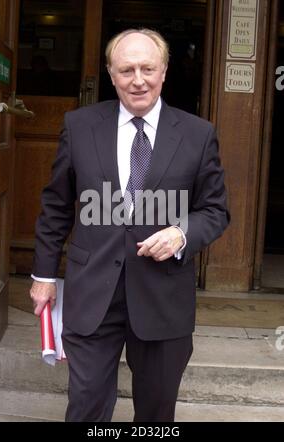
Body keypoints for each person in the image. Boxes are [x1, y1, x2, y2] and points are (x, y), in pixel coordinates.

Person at [30, 28, 230, 422]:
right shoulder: (79, 125)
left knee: (156, 413)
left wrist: (180, 233)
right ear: (110, 73)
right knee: (85, 406)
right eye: (126, 70)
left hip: (163, 298)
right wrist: (43, 276)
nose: (138, 80)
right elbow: (56, 205)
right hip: (92, 292)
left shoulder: (197, 134)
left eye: (147, 68)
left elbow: (215, 210)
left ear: (164, 71)